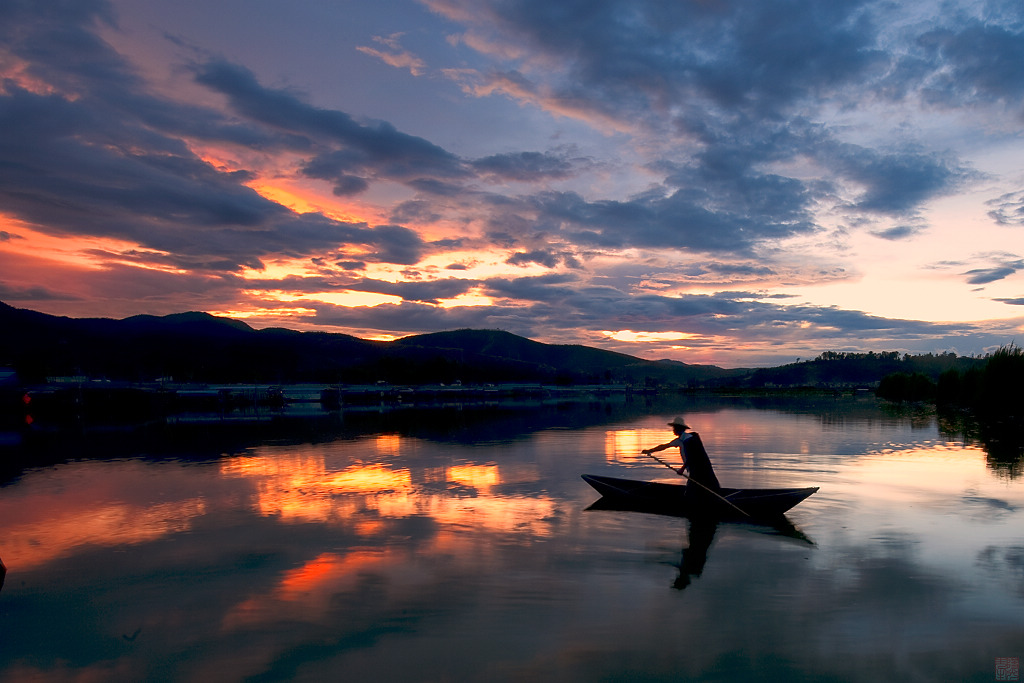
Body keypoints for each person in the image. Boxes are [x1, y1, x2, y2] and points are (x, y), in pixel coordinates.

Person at [641, 417, 721, 496]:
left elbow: (692, 457)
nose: (673, 430)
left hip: (700, 469)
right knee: (705, 488)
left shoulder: (690, 440)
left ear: (678, 429)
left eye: (674, 428)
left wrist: (682, 469)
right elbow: (664, 446)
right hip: (696, 469)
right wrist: (649, 451)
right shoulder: (680, 440)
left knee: (695, 490)